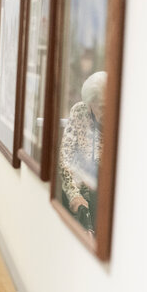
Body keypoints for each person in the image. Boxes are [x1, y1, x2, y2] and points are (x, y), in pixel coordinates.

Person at [58, 71, 106, 233]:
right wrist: (74, 195)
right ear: (90, 102)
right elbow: (65, 157)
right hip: (79, 187)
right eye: (102, 107)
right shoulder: (79, 112)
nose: (107, 112)